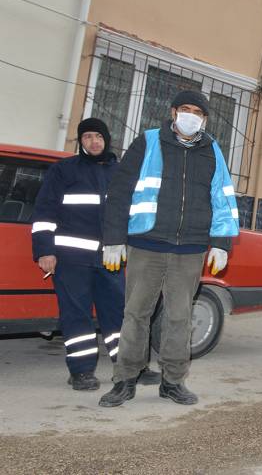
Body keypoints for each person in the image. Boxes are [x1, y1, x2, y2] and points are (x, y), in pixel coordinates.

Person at [97, 91, 239, 407]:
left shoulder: (212, 151)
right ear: (173, 112)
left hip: (189, 248)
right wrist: (114, 238)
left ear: (204, 119)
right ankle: (125, 380)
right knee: (135, 314)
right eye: (185, 109)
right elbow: (119, 192)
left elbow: (223, 199)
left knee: (179, 317)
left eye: (198, 112)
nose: (191, 116)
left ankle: (173, 382)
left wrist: (221, 243)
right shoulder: (147, 142)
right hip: (147, 242)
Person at [31, 118, 159, 390]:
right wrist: (44, 250)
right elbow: (44, 212)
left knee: (119, 314)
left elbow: (132, 213)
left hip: (110, 259)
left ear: (107, 139)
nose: (94, 141)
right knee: (76, 314)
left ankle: (130, 367)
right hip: (71, 260)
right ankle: (81, 371)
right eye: (87, 137)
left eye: (98, 136)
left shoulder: (121, 172)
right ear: (81, 141)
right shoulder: (64, 170)